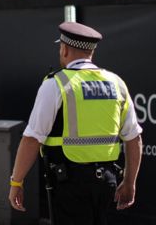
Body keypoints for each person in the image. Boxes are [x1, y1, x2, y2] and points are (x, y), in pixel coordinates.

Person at [9, 22, 143, 224]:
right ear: (91, 52)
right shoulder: (116, 83)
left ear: (64, 49)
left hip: (69, 183)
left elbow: (32, 139)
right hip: (107, 181)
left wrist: (16, 181)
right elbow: (134, 138)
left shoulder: (56, 84)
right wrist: (130, 182)